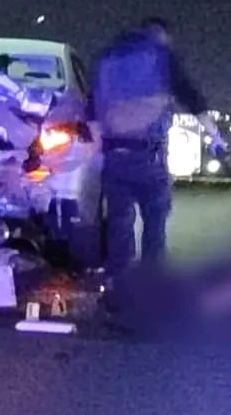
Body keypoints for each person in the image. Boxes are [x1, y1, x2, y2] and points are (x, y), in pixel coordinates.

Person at [89, 17, 226, 279]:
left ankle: (119, 281)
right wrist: (216, 137)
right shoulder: (161, 56)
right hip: (148, 155)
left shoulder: (107, 58)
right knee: (155, 219)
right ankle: (152, 280)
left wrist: (99, 153)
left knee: (119, 222)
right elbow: (192, 97)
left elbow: (93, 109)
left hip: (113, 156)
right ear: (160, 34)